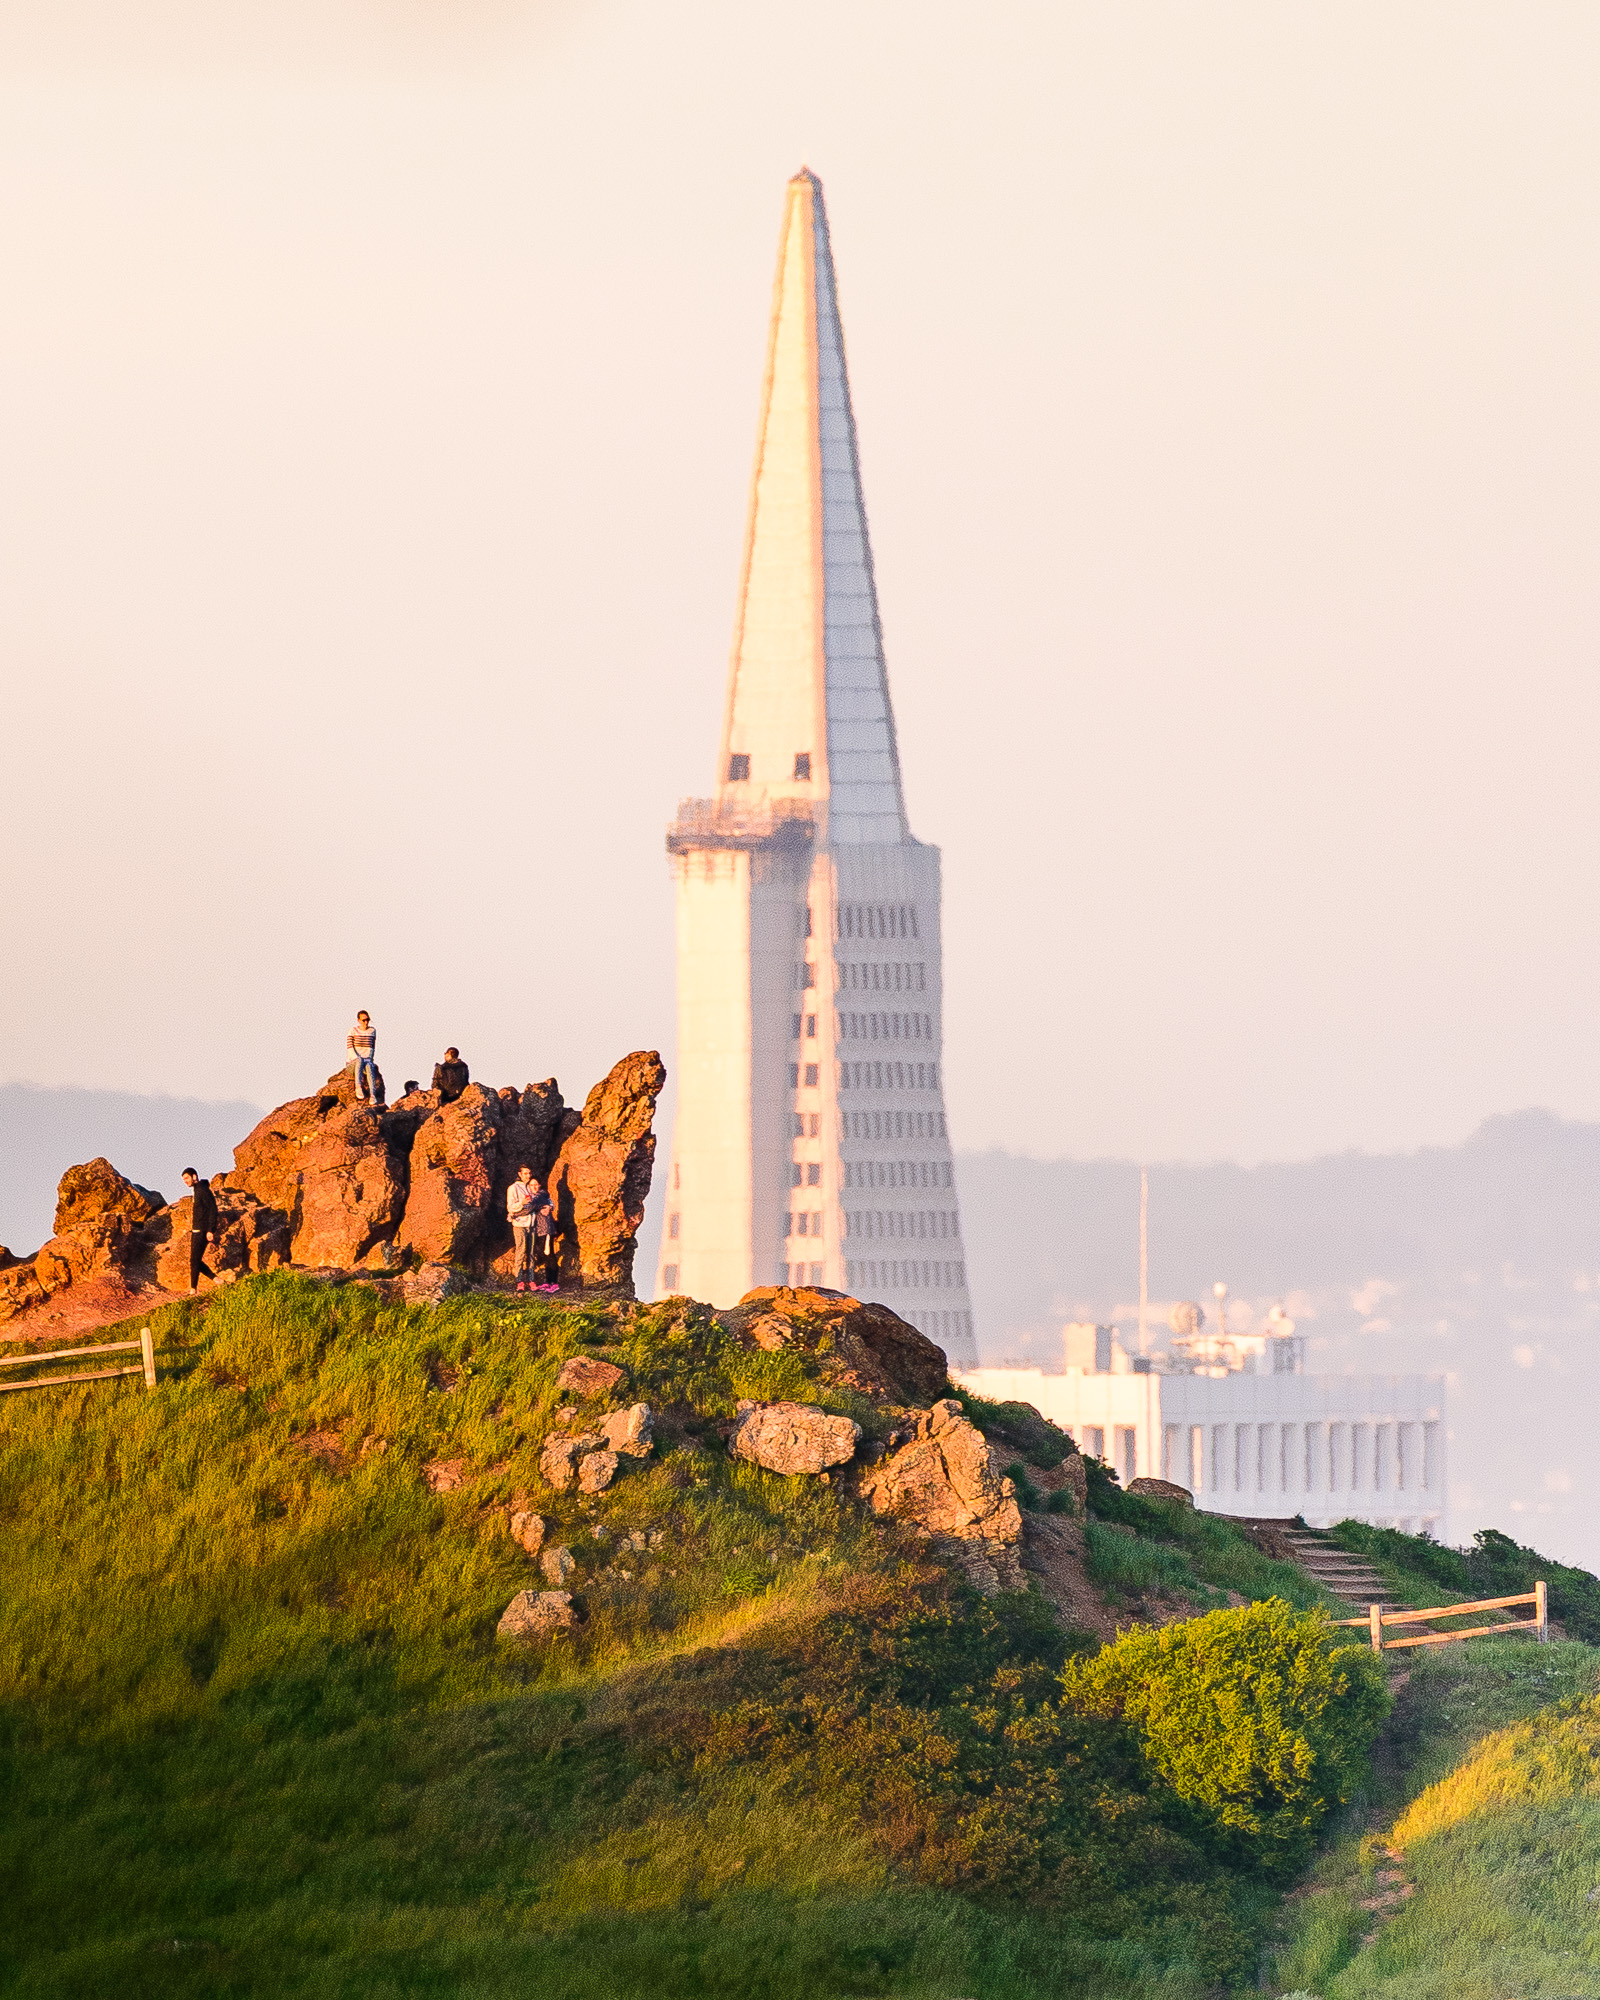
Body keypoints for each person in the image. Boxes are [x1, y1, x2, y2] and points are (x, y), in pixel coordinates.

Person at [183, 1167, 219, 1293]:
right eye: (184, 1180)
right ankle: (216, 1279)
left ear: (194, 1176)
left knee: (194, 1261)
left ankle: (193, 1290)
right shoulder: (197, 1190)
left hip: (202, 1231)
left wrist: (210, 1230)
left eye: (187, 1178)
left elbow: (213, 1210)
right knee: (194, 1260)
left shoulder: (203, 1190)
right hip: (196, 1231)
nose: (185, 1181)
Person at [507, 1165, 540, 1293]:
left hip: (532, 1224)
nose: (528, 1176)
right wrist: (522, 1203)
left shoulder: (531, 1187)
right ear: (519, 1174)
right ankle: (519, 1281)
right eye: (525, 1173)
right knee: (520, 1252)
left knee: (531, 1253)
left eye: (529, 1173)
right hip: (520, 1225)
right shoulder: (513, 1188)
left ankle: (531, 1280)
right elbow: (510, 1207)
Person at [347, 1011, 378, 1102]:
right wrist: (358, 1059)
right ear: (358, 1020)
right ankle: (358, 1087)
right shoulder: (353, 1031)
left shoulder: (372, 1031)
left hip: (366, 1061)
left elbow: (372, 1048)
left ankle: (372, 1095)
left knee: (369, 1065)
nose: (366, 1022)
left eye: (367, 1020)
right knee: (359, 1060)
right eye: (363, 1020)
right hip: (353, 1063)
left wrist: (369, 1060)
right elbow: (350, 1048)